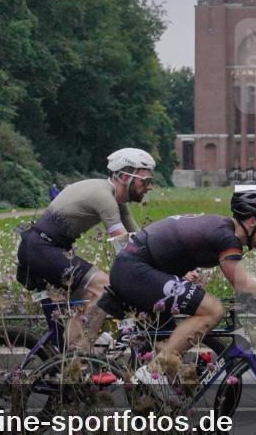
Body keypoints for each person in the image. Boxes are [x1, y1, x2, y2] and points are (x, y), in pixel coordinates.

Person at [106, 189, 256, 392]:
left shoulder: (223, 229)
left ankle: (161, 415)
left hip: (137, 267)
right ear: (252, 221)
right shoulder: (226, 237)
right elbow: (244, 286)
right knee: (213, 309)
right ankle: (154, 371)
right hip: (134, 270)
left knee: (168, 344)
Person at [15, 148, 156, 348]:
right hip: (41, 249)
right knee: (105, 289)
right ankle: (75, 356)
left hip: (45, 248)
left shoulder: (115, 199)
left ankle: (71, 355)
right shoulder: (104, 197)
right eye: (145, 181)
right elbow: (123, 245)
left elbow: (138, 239)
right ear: (125, 177)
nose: (149, 187)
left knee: (93, 301)